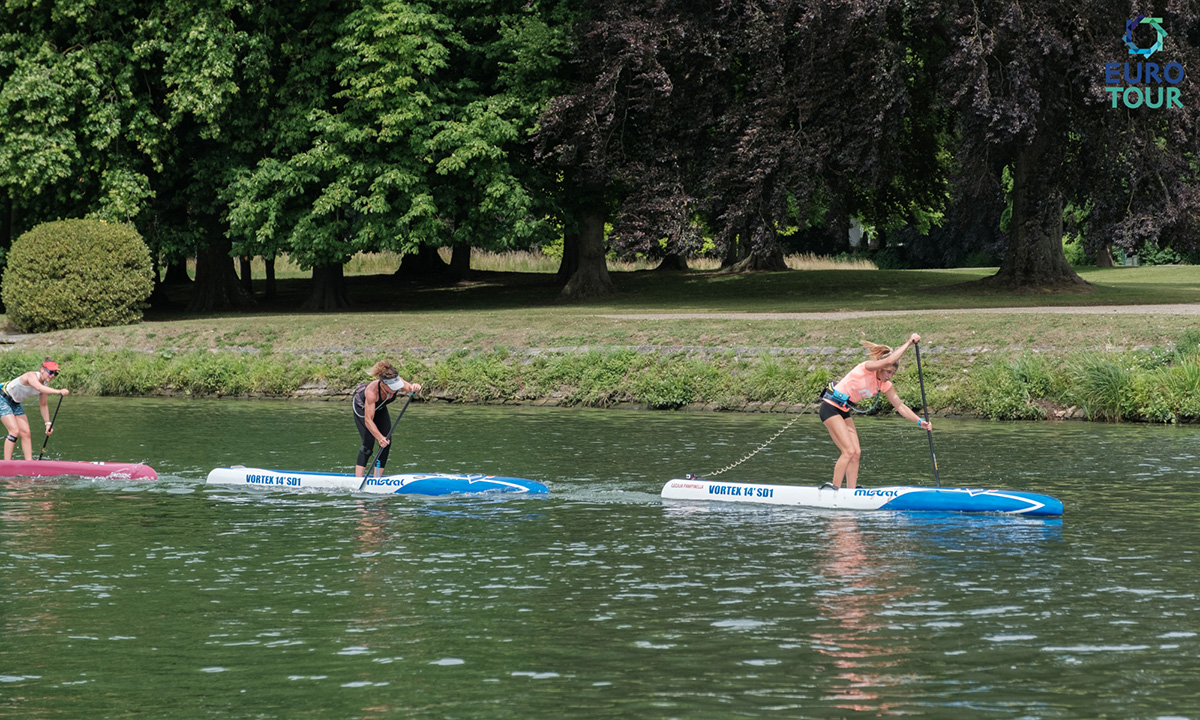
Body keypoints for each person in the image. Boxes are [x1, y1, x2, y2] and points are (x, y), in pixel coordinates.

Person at [819, 334, 931, 490]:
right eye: (887, 372)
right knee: (848, 451)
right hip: (830, 407)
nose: (889, 376)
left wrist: (919, 421)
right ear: (880, 367)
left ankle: (851, 491)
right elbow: (889, 360)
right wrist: (909, 343)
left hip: (844, 411)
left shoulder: (884, 385)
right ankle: (834, 489)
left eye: (892, 373)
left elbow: (900, 406)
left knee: (856, 452)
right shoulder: (866, 368)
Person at [353, 361, 421, 478]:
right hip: (362, 408)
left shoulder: (396, 380)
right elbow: (368, 421)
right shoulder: (372, 392)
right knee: (368, 443)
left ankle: (377, 478)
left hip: (380, 408)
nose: (395, 390)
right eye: (392, 388)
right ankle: (358, 479)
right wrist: (379, 437)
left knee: (386, 443)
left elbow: (410, 388)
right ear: (383, 384)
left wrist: (415, 386)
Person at [1, 359, 70, 461]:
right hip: (2, 398)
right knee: (14, 431)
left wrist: (47, 423)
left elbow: (43, 405)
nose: (52, 375)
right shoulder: (31, 376)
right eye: (50, 372)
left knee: (26, 432)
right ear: (42, 369)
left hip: (15, 403)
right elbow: (38, 388)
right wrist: (59, 391)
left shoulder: (44, 386)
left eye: (55, 373)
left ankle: (29, 463)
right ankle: (6, 464)